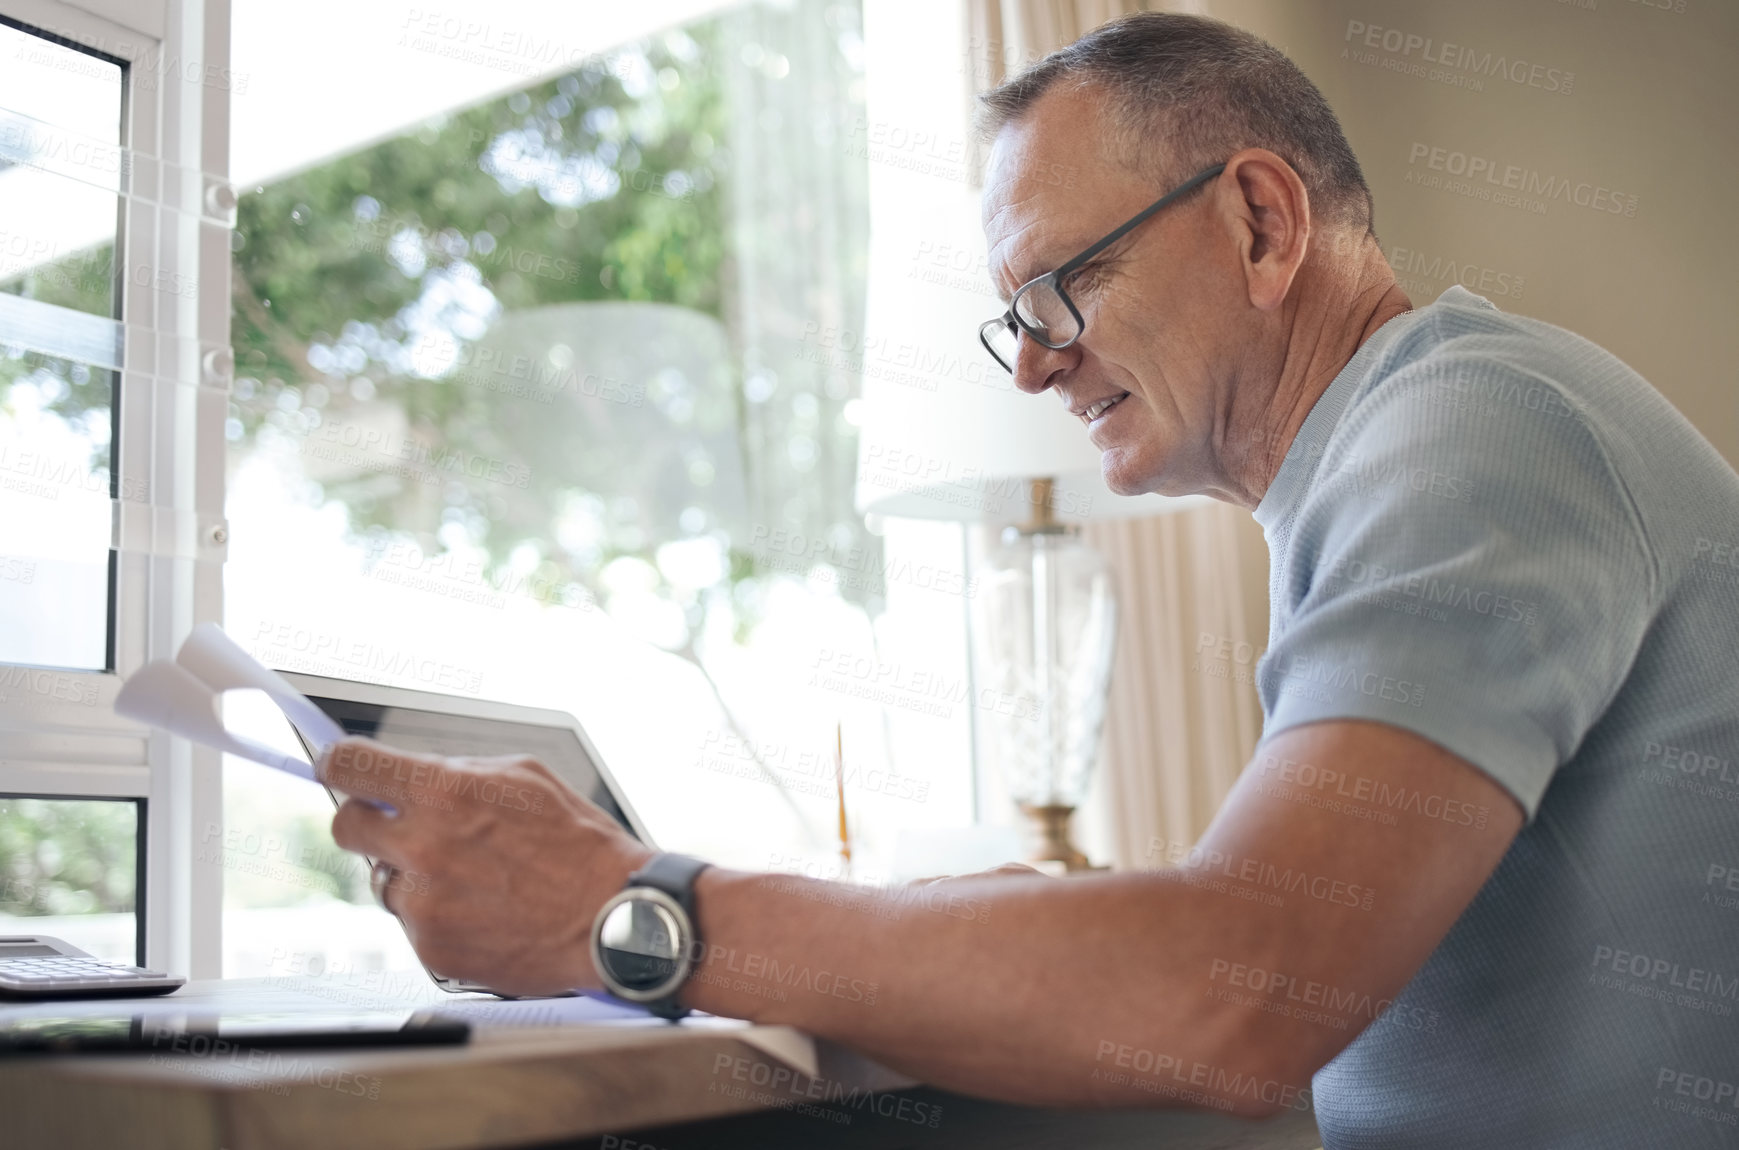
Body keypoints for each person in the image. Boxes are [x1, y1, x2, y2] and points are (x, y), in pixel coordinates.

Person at [320, 13, 1739, 1147]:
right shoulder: (1416, 440)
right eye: (1017, 315)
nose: (1037, 360)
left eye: (1062, 285)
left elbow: (1240, 989)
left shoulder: (1472, 427)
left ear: (1259, 217)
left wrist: (630, 909)